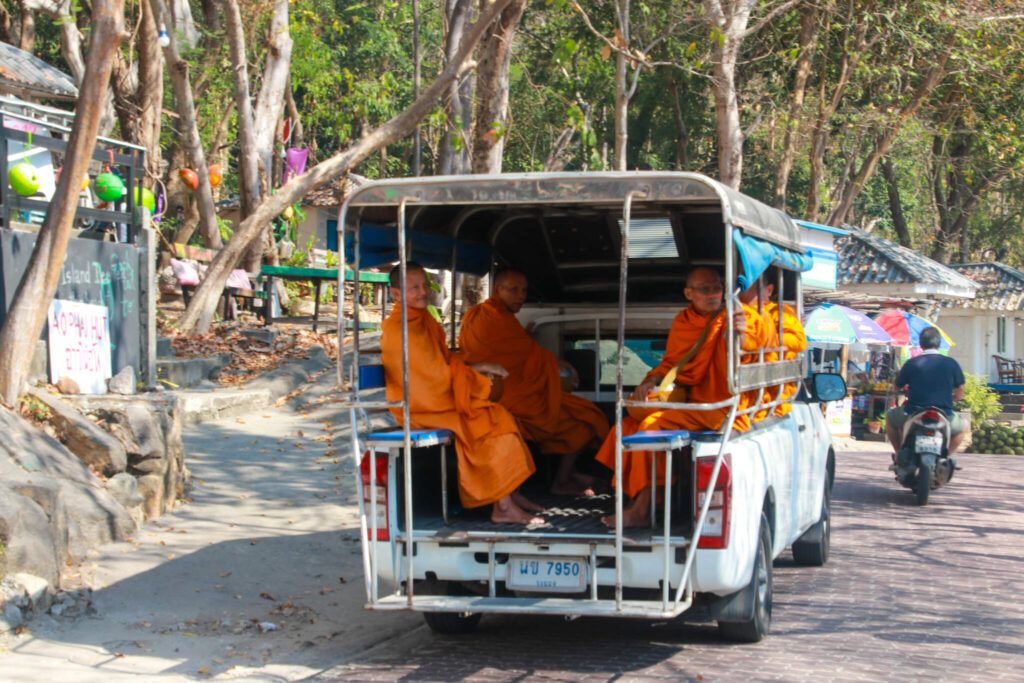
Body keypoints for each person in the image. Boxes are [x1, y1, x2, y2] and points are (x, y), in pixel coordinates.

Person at [595, 267, 773, 527]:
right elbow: (672, 364)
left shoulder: (736, 315)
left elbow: (761, 342)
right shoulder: (684, 322)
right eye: (705, 289)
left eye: (717, 288)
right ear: (688, 293)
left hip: (720, 407)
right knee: (626, 427)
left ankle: (643, 510)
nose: (713, 294)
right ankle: (638, 501)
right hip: (690, 403)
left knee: (650, 427)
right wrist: (651, 382)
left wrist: (741, 332)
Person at [381, 262, 543, 525]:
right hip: (422, 407)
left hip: (437, 400)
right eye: (414, 288)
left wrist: (474, 368)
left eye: (424, 285)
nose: (423, 292)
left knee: (502, 417)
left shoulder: (422, 319)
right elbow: (430, 379)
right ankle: (502, 506)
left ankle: (509, 494)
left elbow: (441, 362)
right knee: (490, 426)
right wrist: (476, 371)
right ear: (397, 294)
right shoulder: (398, 330)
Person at [459, 270, 610, 495]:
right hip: (501, 397)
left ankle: (564, 479)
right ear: (497, 290)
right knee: (586, 419)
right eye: (514, 290)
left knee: (586, 417)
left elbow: (522, 353)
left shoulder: (503, 318)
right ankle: (563, 479)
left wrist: (551, 360)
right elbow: (515, 355)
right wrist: (554, 361)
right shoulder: (485, 317)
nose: (521, 296)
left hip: (520, 393)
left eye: (524, 291)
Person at [886, 326, 968, 455]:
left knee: (890, 418)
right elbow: (960, 389)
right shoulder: (951, 363)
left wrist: (894, 390)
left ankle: (899, 453)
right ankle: (946, 455)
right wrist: (955, 398)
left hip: (913, 412)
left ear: (921, 344)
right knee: (964, 427)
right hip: (944, 413)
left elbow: (897, 387)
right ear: (938, 343)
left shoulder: (912, 363)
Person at [742, 267, 808, 419]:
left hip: (768, 393)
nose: (746, 294)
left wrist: (763, 338)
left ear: (769, 290)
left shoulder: (778, 313)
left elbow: (799, 342)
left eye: (753, 288)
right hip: (739, 392)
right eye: (742, 288)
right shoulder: (732, 314)